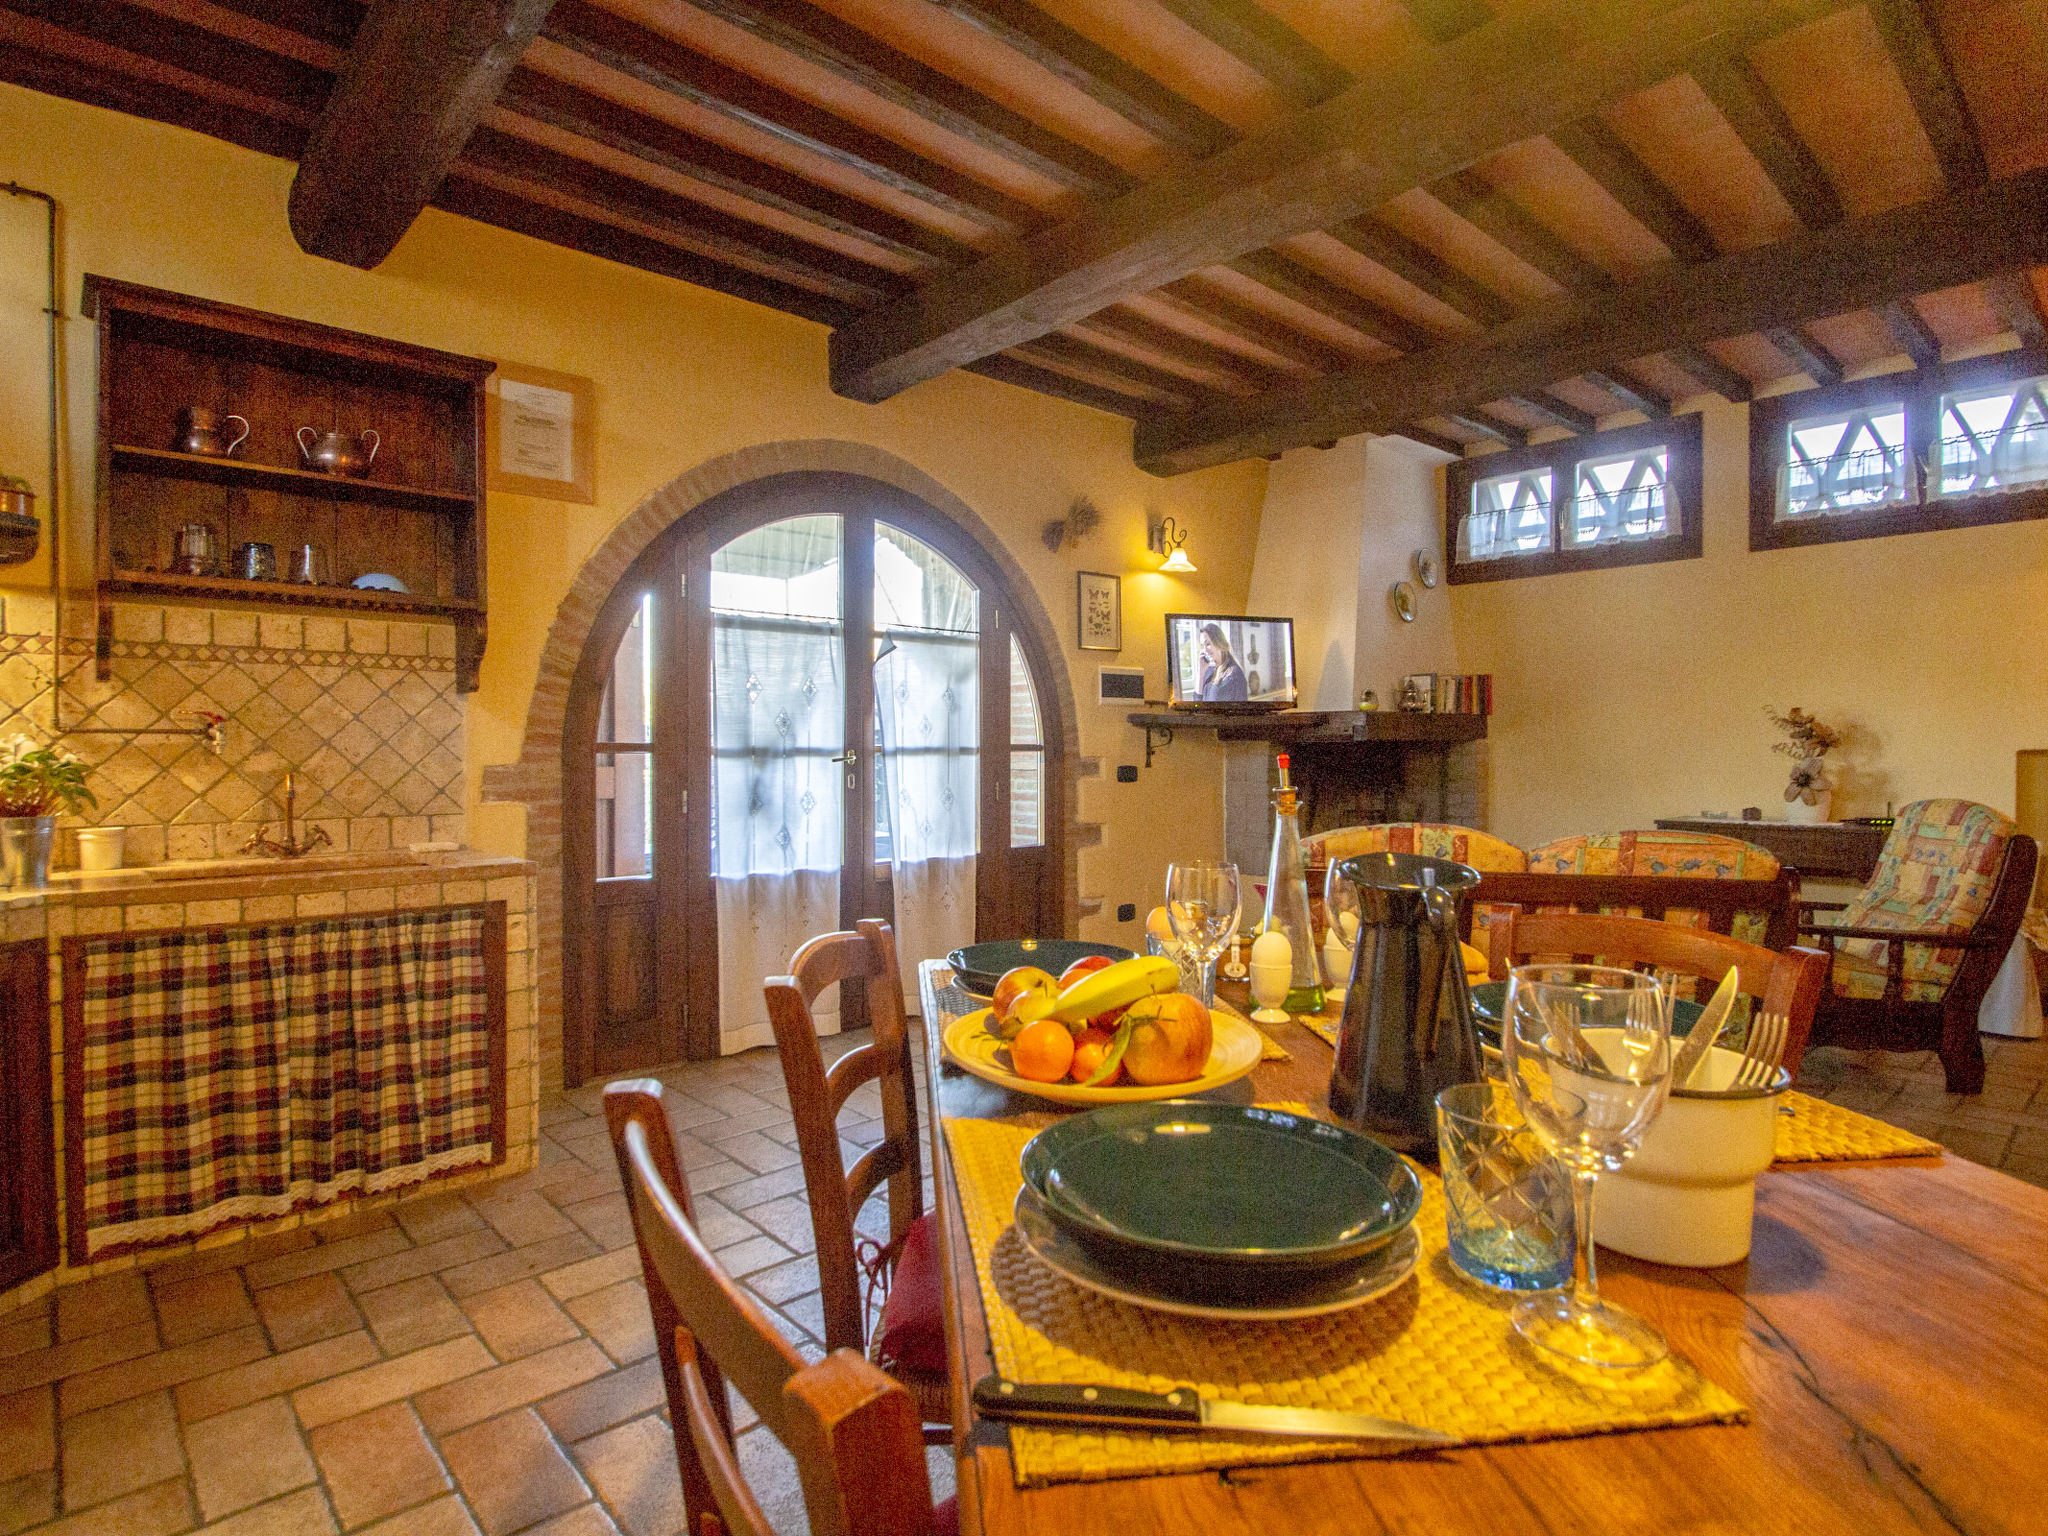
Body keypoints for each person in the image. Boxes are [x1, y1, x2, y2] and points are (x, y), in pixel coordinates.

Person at [1195, 623, 1248, 702]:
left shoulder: (1234, 675)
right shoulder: (1209, 670)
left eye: (1208, 644)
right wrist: (1201, 672)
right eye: (1202, 646)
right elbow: (1197, 703)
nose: (1205, 650)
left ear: (1219, 642)